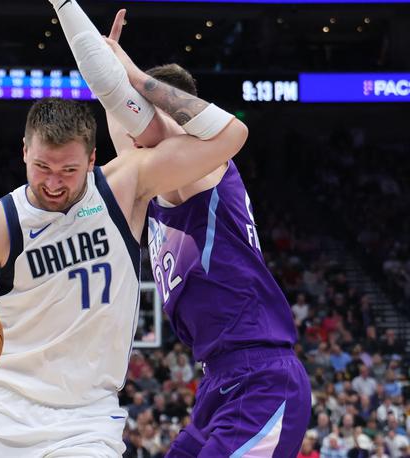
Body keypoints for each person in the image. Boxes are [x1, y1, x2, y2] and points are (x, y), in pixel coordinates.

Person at [0, 61, 247, 457]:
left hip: (85, 422)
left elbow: (226, 136)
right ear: (25, 152)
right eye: (42, 167)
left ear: (92, 158)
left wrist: (129, 75)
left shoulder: (124, 186)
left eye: (69, 170)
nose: (53, 183)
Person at [49, 1, 311, 456]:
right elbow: (114, 103)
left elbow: (178, 120)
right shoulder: (153, 180)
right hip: (218, 383)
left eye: (145, 116)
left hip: (262, 380)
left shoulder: (206, 169)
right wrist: (105, 58)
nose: (134, 131)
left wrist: (133, 74)